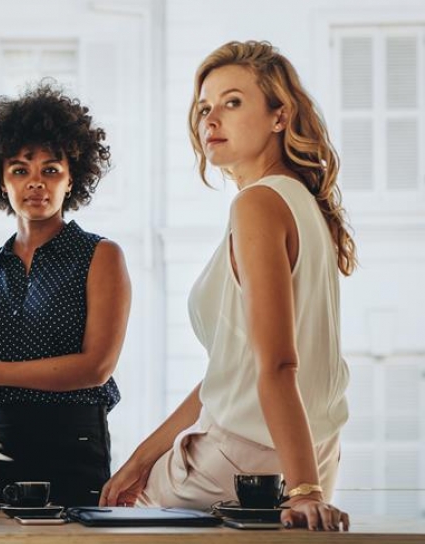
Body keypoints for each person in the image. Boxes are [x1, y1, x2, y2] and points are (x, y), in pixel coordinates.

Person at [99, 41, 354, 532]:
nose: (211, 119)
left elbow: (278, 363)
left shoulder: (257, 205)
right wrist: (141, 458)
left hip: (242, 462)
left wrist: (304, 492)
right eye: (204, 108)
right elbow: (232, 374)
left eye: (232, 102)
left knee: (113, 528)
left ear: (280, 115)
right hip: (312, 452)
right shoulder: (304, 204)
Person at [0, 82, 132, 507]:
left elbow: (95, 367)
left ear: (72, 178)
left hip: (75, 440)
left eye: (51, 169)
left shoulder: (101, 256)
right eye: (20, 169)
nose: (36, 183)